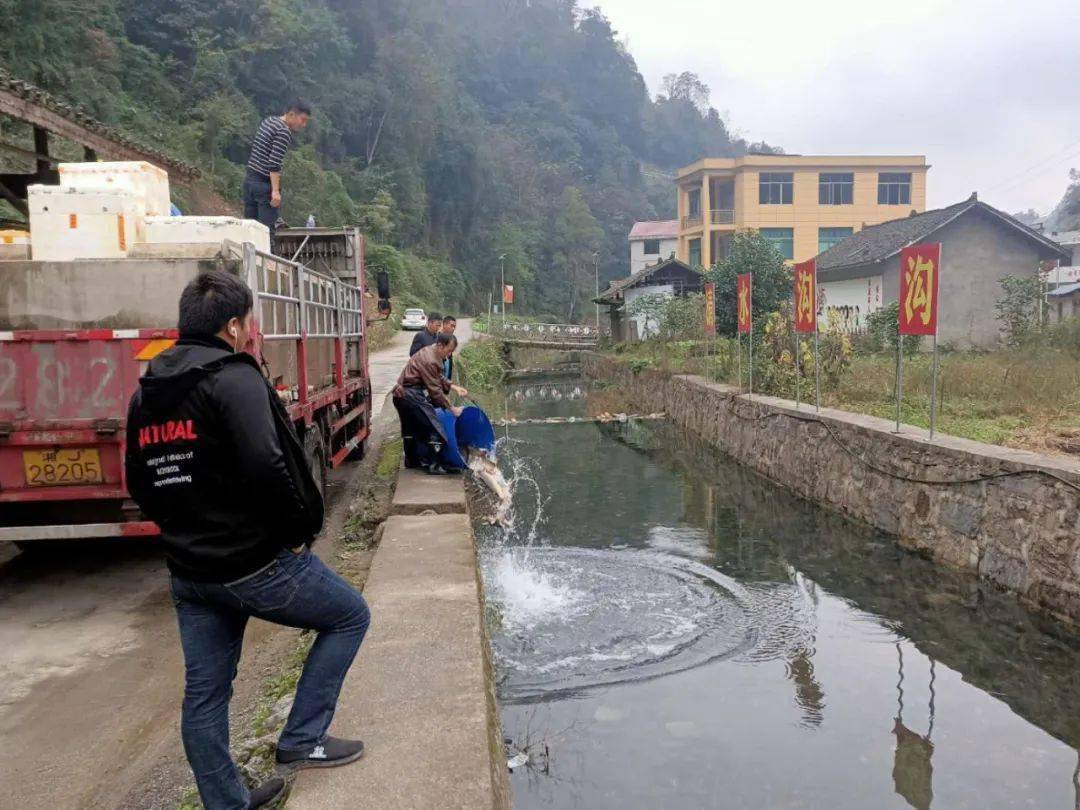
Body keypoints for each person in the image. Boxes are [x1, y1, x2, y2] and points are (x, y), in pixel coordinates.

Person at [124, 271, 369, 810]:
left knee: (206, 694)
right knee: (349, 616)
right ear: (234, 326)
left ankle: (227, 802)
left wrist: (186, 532)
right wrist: (294, 535)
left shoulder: (149, 393)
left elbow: (140, 482)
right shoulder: (233, 377)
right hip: (255, 563)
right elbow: (268, 463)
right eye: (247, 324)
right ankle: (303, 739)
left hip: (190, 574)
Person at [393, 333, 468, 474]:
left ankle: (412, 460)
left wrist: (453, 386)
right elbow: (435, 392)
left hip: (400, 396)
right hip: (410, 396)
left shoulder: (430, 351)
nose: (449, 354)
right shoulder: (431, 359)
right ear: (440, 345)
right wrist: (452, 408)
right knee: (435, 428)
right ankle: (435, 466)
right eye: (449, 350)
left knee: (410, 429)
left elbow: (436, 375)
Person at [242, 99, 312, 234]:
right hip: (263, 186)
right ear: (291, 115)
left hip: (249, 182)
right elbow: (274, 164)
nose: (303, 125)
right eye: (302, 120)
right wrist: (275, 191)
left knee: (250, 231)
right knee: (267, 233)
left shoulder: (269, 121)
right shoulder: (283, 132)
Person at [441, 315, 457, 380]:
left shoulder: (451, 338)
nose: (453, 328)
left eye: (454, 327)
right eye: (451, 326)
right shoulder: (436, 338)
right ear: (444, 324)